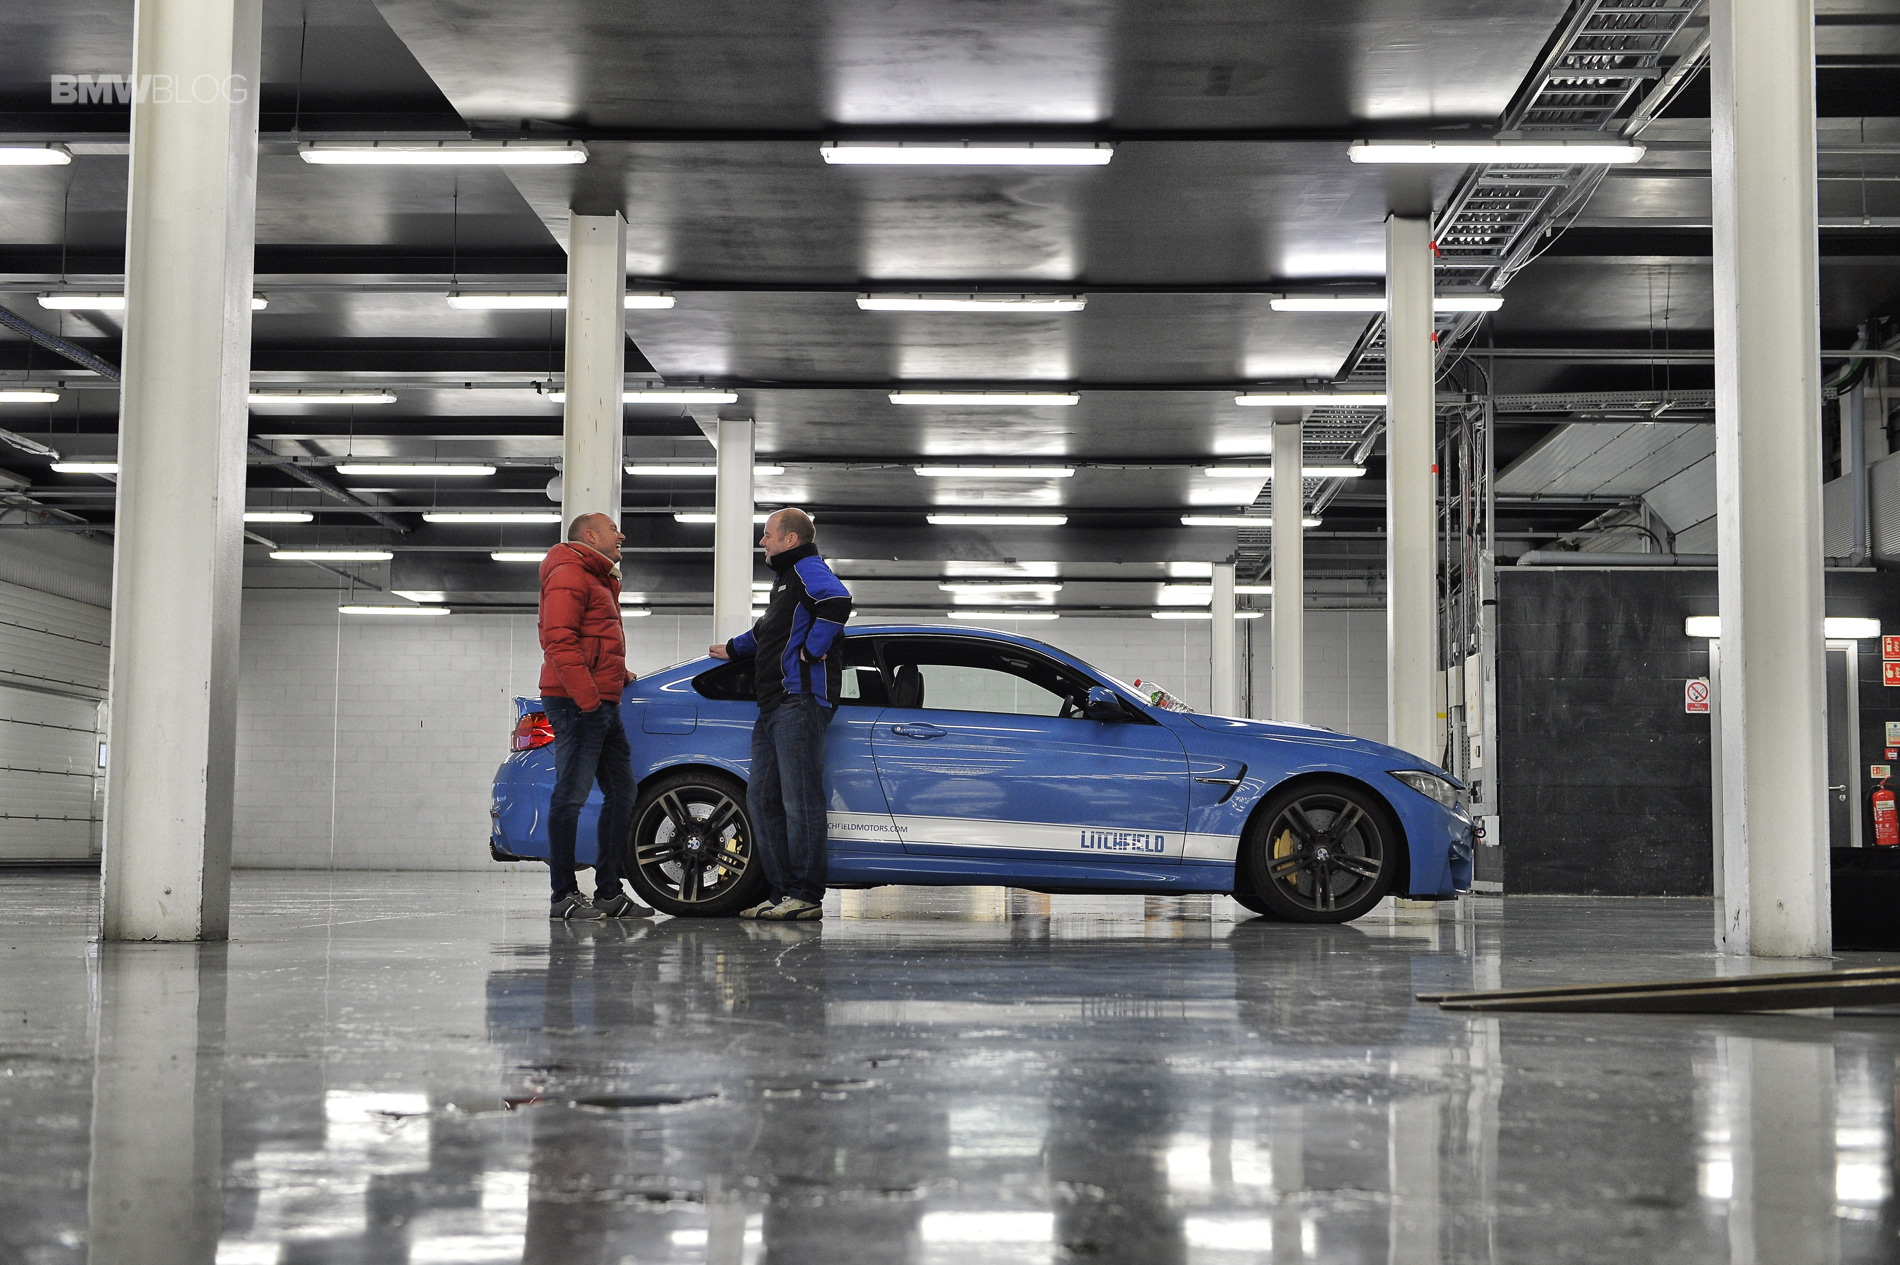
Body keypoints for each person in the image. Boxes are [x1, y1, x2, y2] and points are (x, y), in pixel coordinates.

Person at [708, 507, 853, 921]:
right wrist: (731, 649)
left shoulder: (808, 569)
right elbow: (767, 632)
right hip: (773, 705)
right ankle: (781, 892)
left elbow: (837, 599)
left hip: (799, 701)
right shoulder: (786, 583)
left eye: (768, 535)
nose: (762, 542)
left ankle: (805, 894)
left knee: (799, 799)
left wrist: (813, 649)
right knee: (762, 798)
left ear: (791, 539)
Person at [538, 513, 653, 920]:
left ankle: (609, 893)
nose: (621, 535)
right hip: (577, 701)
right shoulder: (569, 572)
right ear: (589, 535)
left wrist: (616, 675)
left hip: (601, 698)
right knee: (570, 796)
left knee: (623, 792)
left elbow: (593, 639)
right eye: (612, 530)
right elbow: (559, 640)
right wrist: (588, 699)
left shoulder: (597, 577)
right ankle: (563, 896)